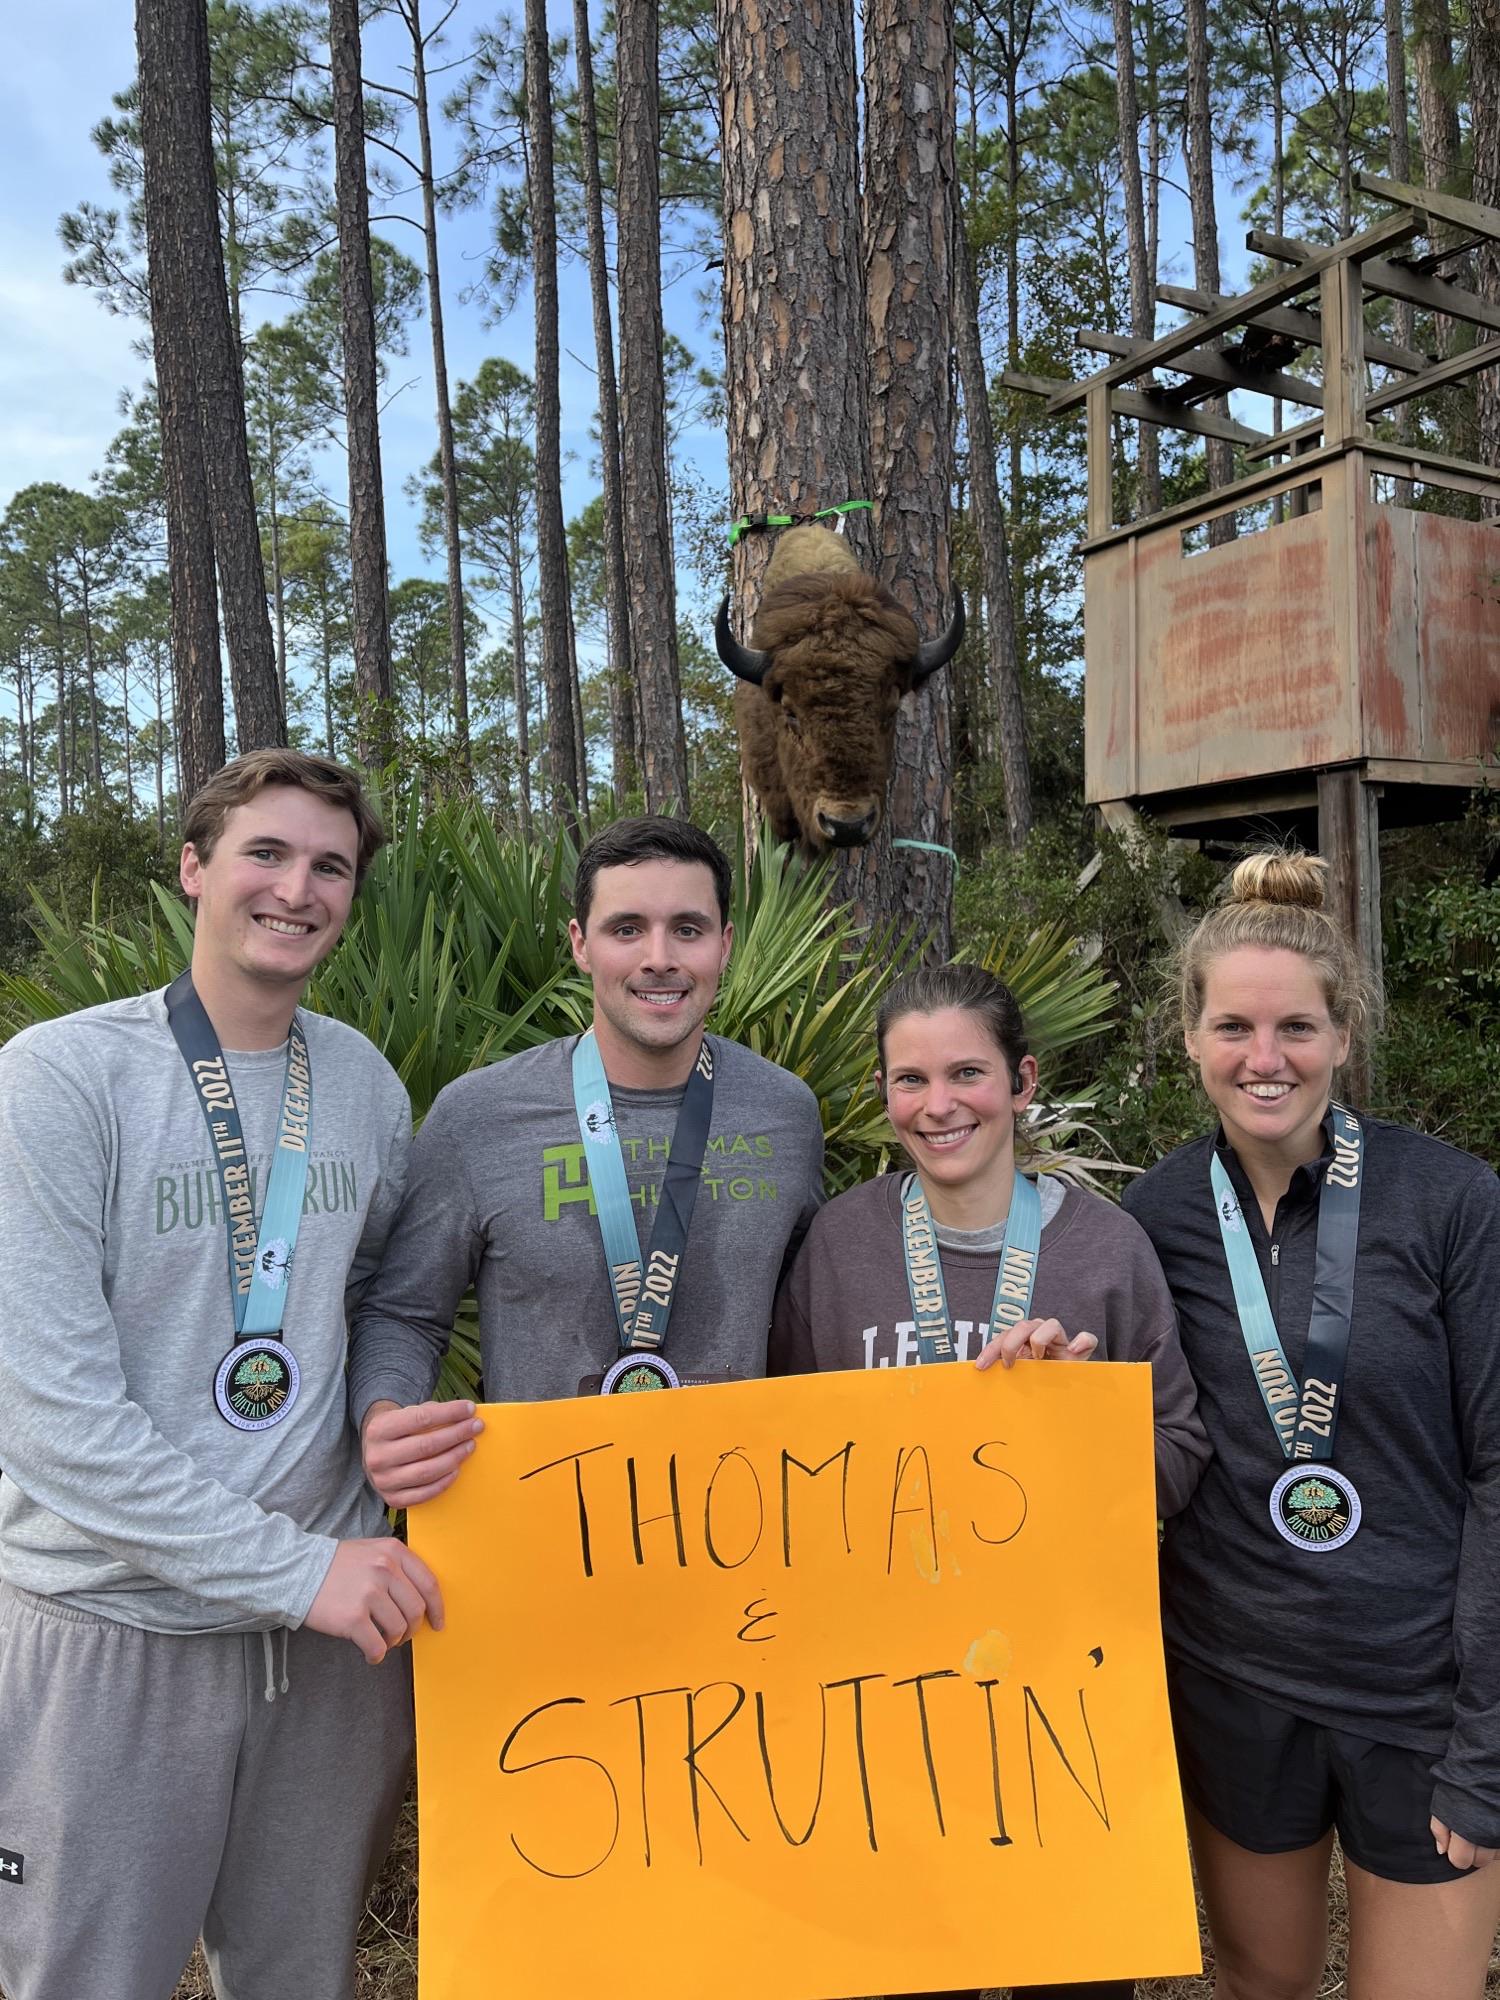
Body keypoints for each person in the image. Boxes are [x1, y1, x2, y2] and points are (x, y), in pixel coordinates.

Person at [0, 749, 441, 2000]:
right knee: (87, 1978)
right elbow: (48, 1417)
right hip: (113, 1629)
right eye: (266, 851)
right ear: (195, 867)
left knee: (301, 1976)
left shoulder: (362, 1083)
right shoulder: (61, 1077)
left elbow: (369, 1305)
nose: (296, 886)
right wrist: (302, 1570)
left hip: (322, 1656)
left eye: (330, 865)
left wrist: (381, 1419)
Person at [770, 961, 1210, 2000]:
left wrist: (1078, 1421)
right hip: (883, 1703)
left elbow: (1179, 1462)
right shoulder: (839, 1242)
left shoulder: (1108, 1244)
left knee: (1074, 1979)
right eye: (909, 1079)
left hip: (1062, 1704)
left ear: (1022, 1081)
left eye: (966, 1072)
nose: (938, 1104)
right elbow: (781, 1447)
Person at [1122, 850, 1500, 2000]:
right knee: (1262, 1984)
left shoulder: (1450, 1200)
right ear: (1190, 1038)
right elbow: (1145, 1437)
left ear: (1344, 1035)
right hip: (1237, 1679)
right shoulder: (1159, 1212)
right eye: (1232, 1024)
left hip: (1419, 1694)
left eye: (1296, 1026)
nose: (1263, 1057)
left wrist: (1487, 1742)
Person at [350, 814, 825, 1502]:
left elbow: (811, 1304)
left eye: (687, 929)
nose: (658, 956)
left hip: (739, 1526)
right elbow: (402, 1313)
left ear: (724, 946)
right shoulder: (478, 1117)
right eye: (625, 929)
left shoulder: (785, 1112)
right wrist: (384, 1417)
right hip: (542, 1528)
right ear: (580, 945)